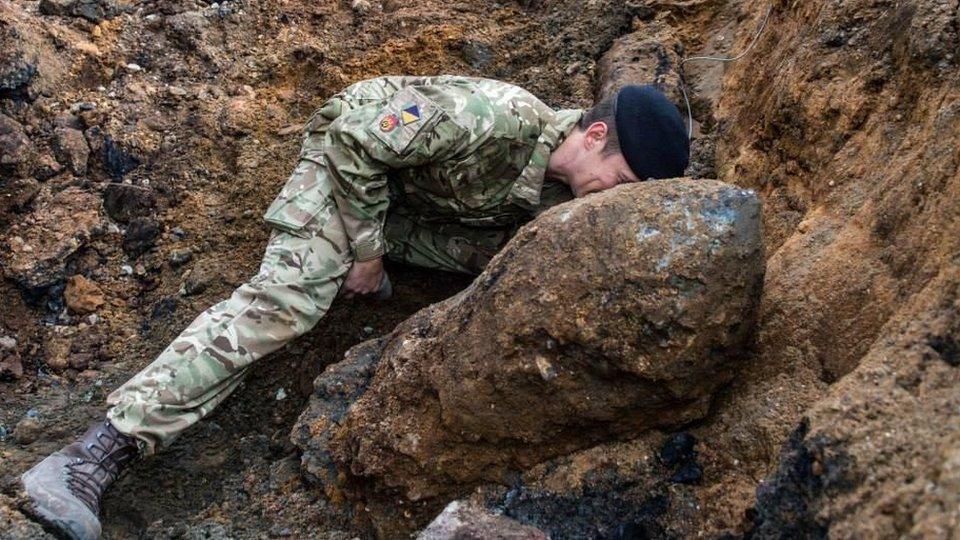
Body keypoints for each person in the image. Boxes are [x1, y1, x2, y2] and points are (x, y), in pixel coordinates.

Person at [20, 76, 689, 539]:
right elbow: (357, 142)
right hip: (349, 157)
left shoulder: (554, 199)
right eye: (619, 181)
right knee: (290, 303)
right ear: (594, 133)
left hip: (410, 199)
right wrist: (366, 251)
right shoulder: (495, 117)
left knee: (503, 263)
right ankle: (92, 456)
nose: (605, 202)